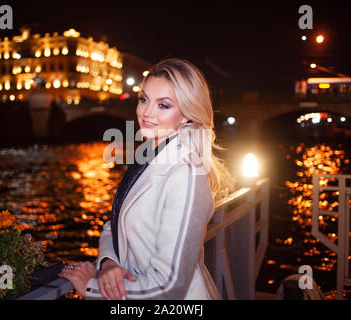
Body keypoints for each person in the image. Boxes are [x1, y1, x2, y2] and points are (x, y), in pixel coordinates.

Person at [58, 58, 235, 300]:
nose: (146, 112)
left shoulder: (185, 173)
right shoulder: (148, 156)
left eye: (163, 105)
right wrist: (108, 264)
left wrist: (92, 286)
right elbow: (115, 221)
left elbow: (169, 287)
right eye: (144, 99)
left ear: (186, 114)